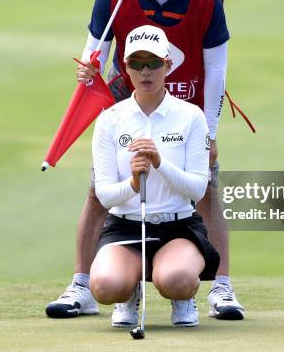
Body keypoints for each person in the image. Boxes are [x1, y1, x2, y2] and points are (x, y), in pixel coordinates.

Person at [46, 0, 244, 324]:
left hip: (185, 101)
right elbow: (96, 49)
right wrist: (90, 68)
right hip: (127, 93)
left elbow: (217, 71)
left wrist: (208, 131)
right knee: (98, 191)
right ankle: (81, 285)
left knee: (207, 191)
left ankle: (221, 288)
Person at [90, 25, 219, 328]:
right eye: (136, 64)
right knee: (106, 287)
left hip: (178, 227)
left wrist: (160, 162)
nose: (145, 71)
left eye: (153, 63)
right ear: (126, 68)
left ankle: (182, 297)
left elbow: (198, 189)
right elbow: (105, 195)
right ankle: (128, 292)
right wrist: (133, 183)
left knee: (176, 279)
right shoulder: (110, 120)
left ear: (168, 65)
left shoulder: (191, 116)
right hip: (125, 227)